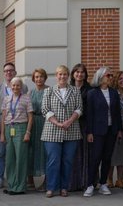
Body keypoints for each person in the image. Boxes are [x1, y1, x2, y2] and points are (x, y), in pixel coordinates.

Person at [41, 64, 82, 199]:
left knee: (68, 161)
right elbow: (45, 110)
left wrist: (69, 121)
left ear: (68, 75)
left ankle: (64, 187)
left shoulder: (75, 90)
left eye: (65, 74)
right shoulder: (49, 91)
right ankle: (51, 188)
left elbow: (79, 108)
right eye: (60, 74)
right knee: (53, 160)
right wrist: (58, 123)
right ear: (56, 76)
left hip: (72, 130)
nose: (62, 76)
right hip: (52, 131)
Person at [82, 67, 120, 197]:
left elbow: (117, 113)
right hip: (97, 131)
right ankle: (90, 185)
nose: (110, 78)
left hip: (111, 130)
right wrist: (89, 132)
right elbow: (89, 114)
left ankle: (103, 183)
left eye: (111, 75)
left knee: (107, 158)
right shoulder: (92, 93)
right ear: (101, 77)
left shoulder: (114, 93)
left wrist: (119, 129)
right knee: (95, 158)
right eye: (108, 75)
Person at [0, 75, 32, 195]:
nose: (15, 87)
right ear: (10, 86)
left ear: (21, 86)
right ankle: (12, 185)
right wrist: (2, 134)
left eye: (18, 85)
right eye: (13, 85)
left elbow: (30, 117)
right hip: (9, 128)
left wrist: (27, 132)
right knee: (10, 159)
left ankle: (20, 187)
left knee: (21, 158)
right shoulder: (6, 99)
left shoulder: (26, 98)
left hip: (21, 128)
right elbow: (3, 117)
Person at [0, 62, 18, 190]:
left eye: (11, 70)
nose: (9, 73)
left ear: (15, 72)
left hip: (18, 124)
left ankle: (13, 178)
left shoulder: (22, 87)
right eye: (6, 71)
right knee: (1, 153)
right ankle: (0, 178)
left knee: (15, 153)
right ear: (3, 73)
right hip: (2, 124)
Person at [68, 63, 90, 192]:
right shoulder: (68, 88)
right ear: (73, 74)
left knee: (84, 154)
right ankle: (71, 183)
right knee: (71, 154)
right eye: (77, 72)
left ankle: (84, 182)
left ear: (85, 75)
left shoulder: (90, 90)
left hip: (83, 125)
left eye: (82, 72)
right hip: (70, 125)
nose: (79, 74)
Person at [26, 68, 48, 192]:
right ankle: (30, 181)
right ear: (33, 79)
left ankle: (46, 181)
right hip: (32, 124)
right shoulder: (30, 93)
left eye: (41, 76)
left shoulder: (49, 91)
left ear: (45, 78)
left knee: (45, 152)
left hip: (46, 123)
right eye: (36, 77)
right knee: (31, 151)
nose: (39, 79)